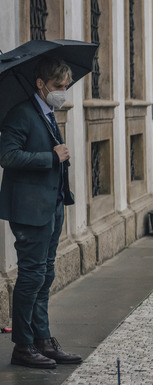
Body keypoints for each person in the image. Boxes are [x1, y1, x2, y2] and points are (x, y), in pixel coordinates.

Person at [0, 57, 83, 368]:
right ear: (41, 84)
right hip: (30, 210)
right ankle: (23, 345)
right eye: (58, 86)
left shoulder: (46, 112)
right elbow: (7, 156)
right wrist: (50, 156)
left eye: (66, 86)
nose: (63, 92)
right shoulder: (21, 114)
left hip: (51, 206)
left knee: (45, 274)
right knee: (32, 276)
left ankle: (42, 339)